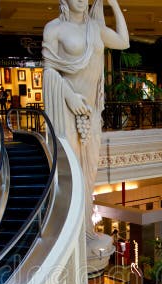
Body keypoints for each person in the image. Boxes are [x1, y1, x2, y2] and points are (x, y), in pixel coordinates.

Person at [42, 0, 129, 231]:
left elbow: (123, 41)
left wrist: (114, 5)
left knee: (89, 173)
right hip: (67, 109)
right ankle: (71, 230)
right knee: (72, 172)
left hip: (91, 113)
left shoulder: (95, 28)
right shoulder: (54, 29)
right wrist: (69, 96)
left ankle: (85, 230)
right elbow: (49, 71)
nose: (81, 0)